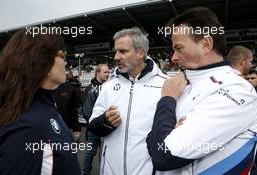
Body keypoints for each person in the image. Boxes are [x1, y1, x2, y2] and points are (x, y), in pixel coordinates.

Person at [146, 7, 257, 174]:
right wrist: (165, 131)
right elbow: (152, 139)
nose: (173, 58)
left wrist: (167, 99)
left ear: (206, 45)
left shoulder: (237, 90)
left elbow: (163, 154)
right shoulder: (183, 85)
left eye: (179, 48)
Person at [0, 29, 81, 175]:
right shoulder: (26, 128)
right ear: (43, 63)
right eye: (61, 55)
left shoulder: (45, 106)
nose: (65, 62)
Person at [88, 27, 167, 175]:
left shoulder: (166, 85)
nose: (116, 57)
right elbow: (93, 125)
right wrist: (105, 121)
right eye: (116, 51)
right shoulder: (108, 86)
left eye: (123, 51)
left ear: (141, 52)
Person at [82, 63, 110, 175]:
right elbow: (87, 112)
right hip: (94, 128)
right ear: (98, 73)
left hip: (107, 127)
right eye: (105, 72)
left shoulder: (108, 87)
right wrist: (95, 124)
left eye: (108, 72)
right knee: (90, 152)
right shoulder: (91, 89)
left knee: (105, 152)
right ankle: (85, 172)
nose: (108, 74)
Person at [56, 70, 82, 139]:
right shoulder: (42, 88)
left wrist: (76, 128)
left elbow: (73, 109)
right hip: (45, 128)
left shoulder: (69, 88)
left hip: (64, 126)